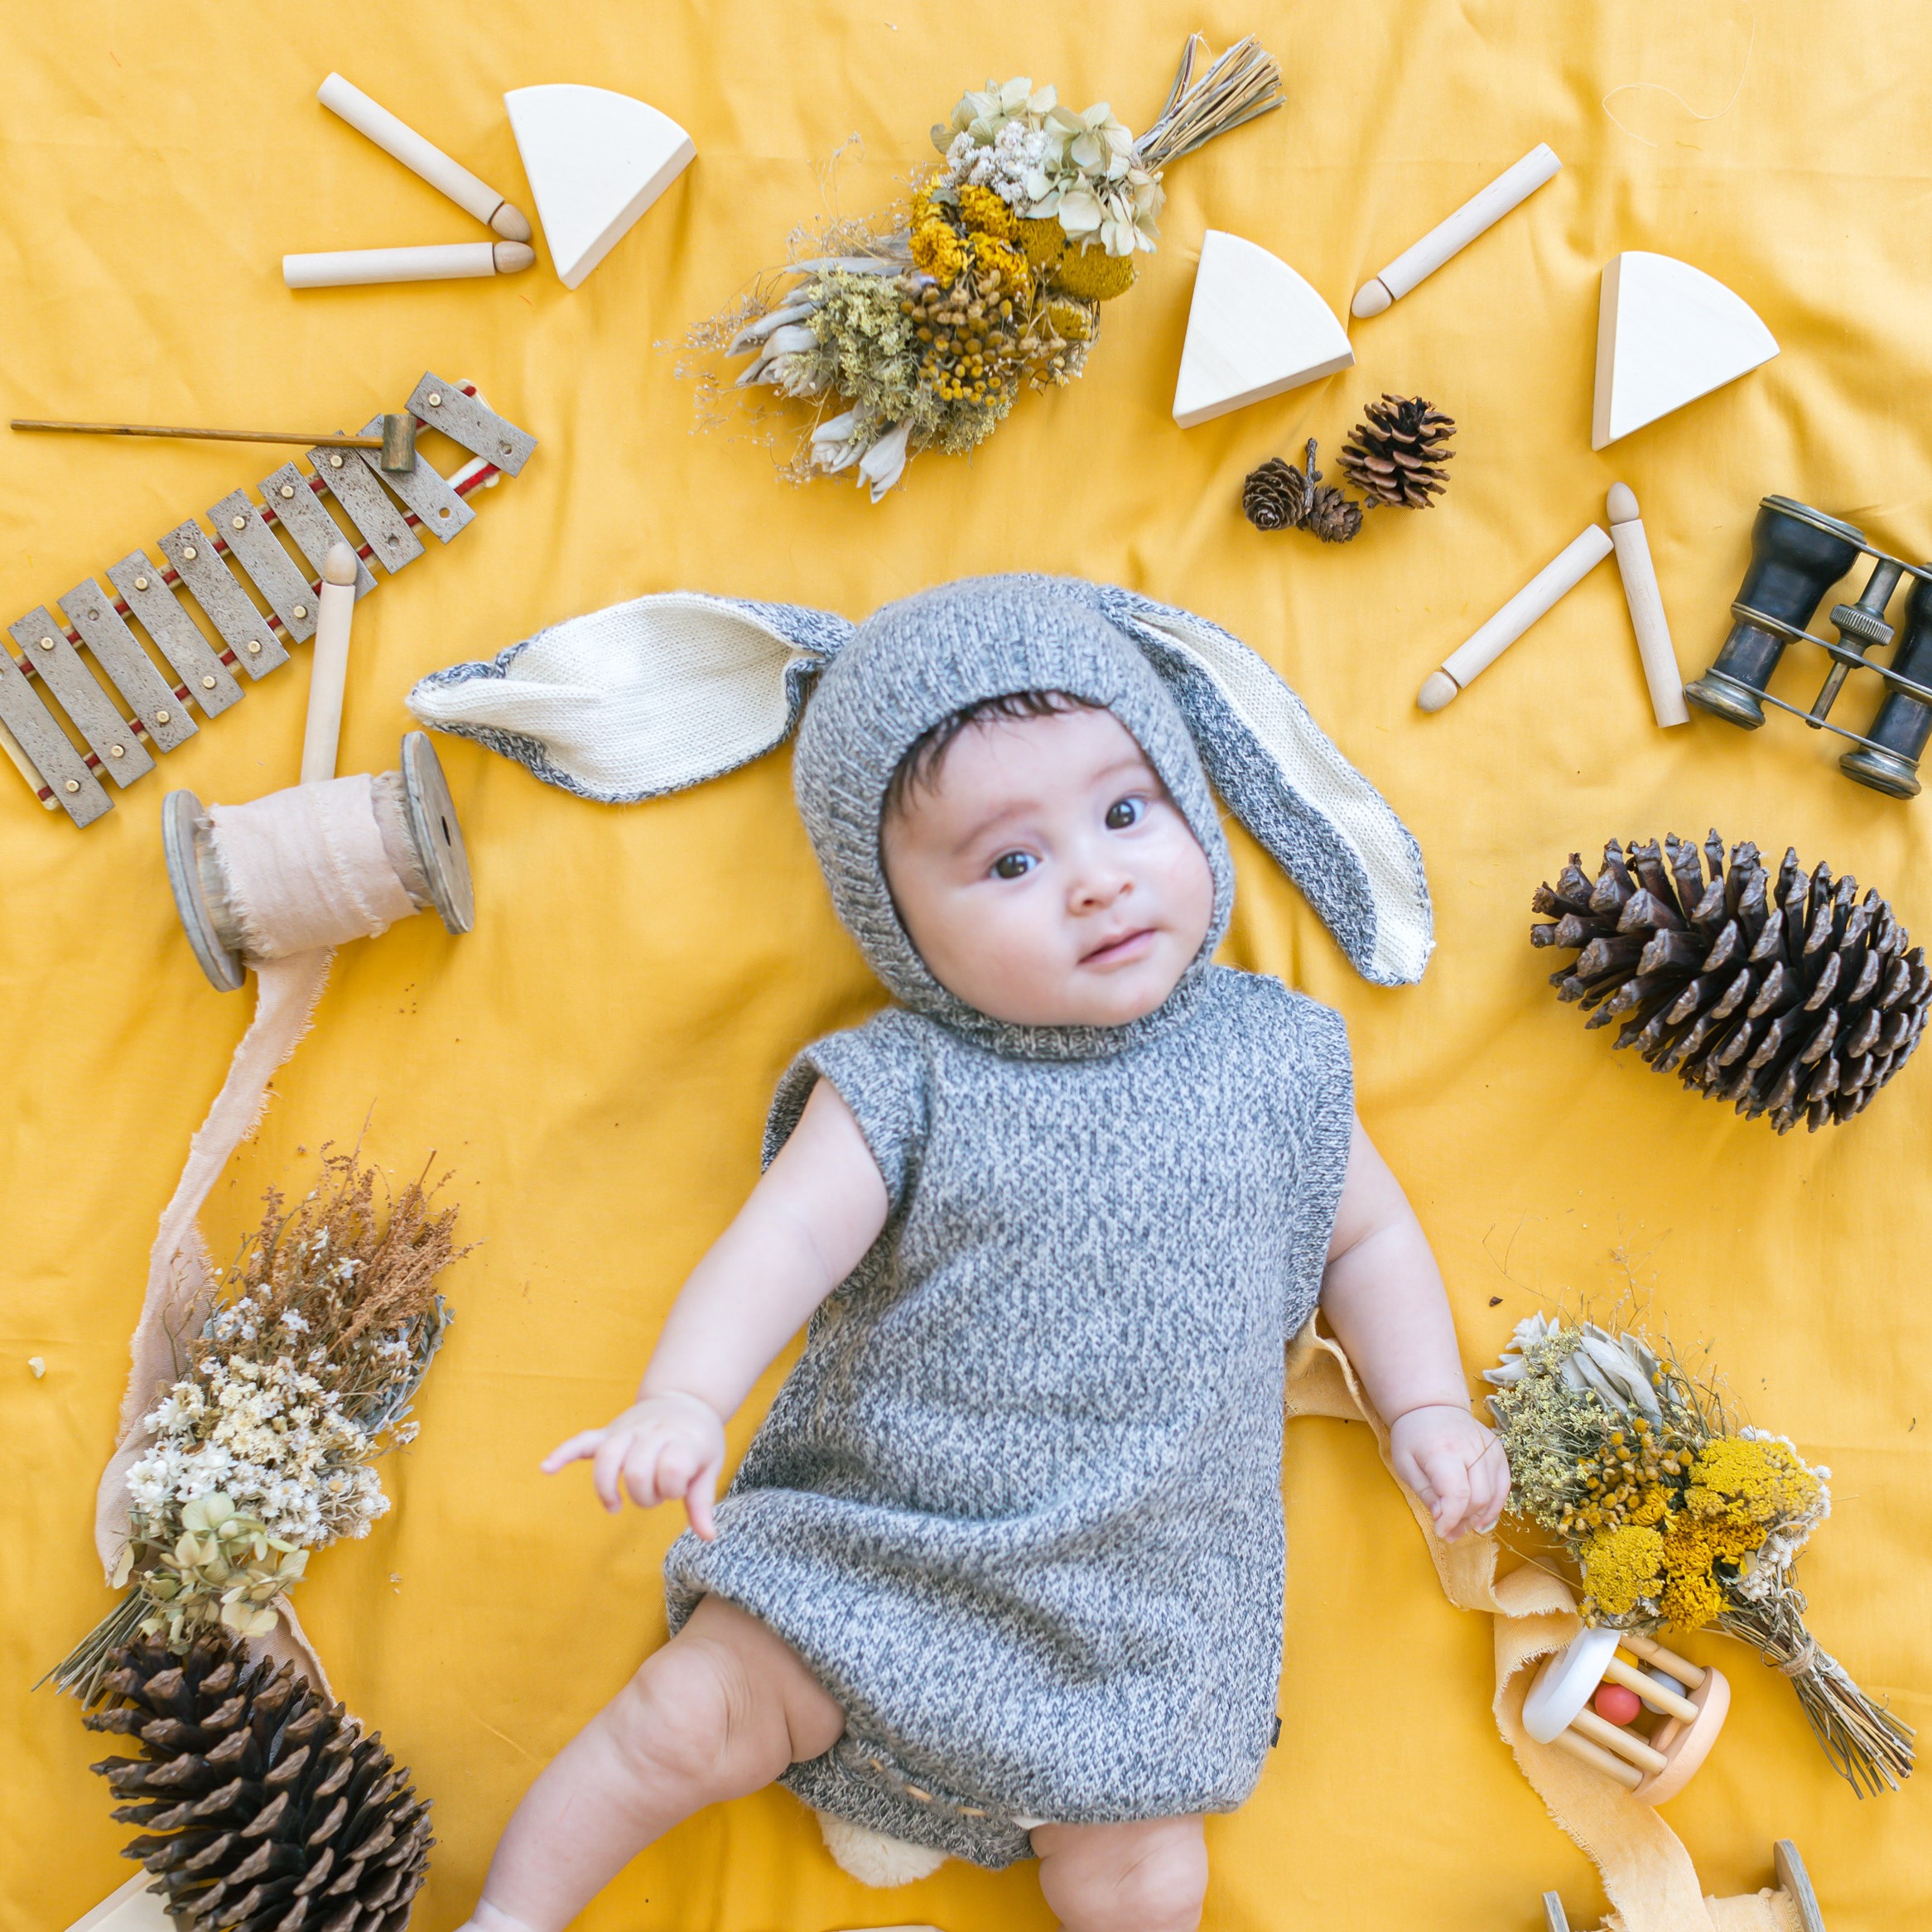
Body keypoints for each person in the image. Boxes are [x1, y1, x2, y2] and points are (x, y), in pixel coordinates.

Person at [455, 581, 1508, 1932]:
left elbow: (1366, 1233)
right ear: (895, 925)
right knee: (679, 1718)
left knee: (1143, 1875)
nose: (1094, 876)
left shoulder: (1277, 1056)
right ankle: (513, 1916)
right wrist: (683, 1397)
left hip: (1130, 1614)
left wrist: (1425, 1404)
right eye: (1010, 863)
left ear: (1192, 800)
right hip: (880, 1552)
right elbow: (777, 1240)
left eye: (1127, 812)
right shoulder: (907, 1081)